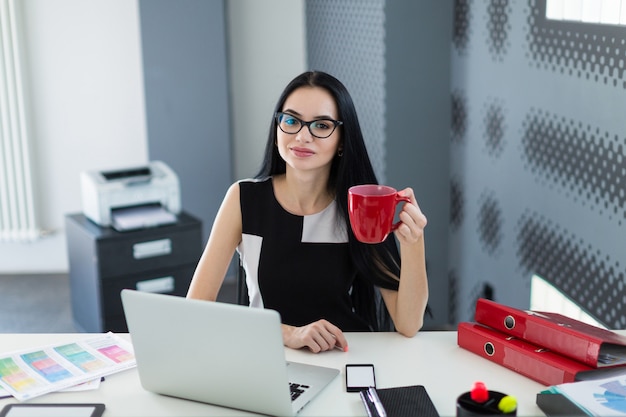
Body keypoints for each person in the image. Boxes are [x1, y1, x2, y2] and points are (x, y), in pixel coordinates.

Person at [187, 71, 429, 353]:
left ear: (342, 140)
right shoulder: (244, 198)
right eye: (291, 120)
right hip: (265, 357)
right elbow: (196, 309)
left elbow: (408, 323)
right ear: (277, 127)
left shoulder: (359, 206)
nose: (303, 136)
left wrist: (414, 244)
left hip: (344, 358)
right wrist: (288, 333)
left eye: (322, 125)